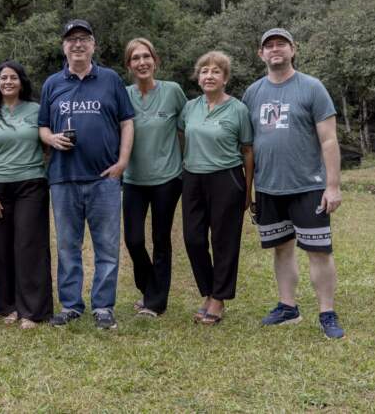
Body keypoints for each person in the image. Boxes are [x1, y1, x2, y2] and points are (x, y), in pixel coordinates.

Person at [242, 28, 345, 339]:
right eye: (269, 46)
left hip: (309, 186)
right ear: (260, 54)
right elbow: (247, 146)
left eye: (281, 45)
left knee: (319, 252)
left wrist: (333, 186)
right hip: (269, 187)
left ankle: (327, 312)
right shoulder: (253, 93)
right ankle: (288, 308)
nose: (275, 50)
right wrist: (248, 190)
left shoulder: (312, 88)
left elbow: (329, 140)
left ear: (292, 50)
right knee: (282, 250)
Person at [38, 19, 135, 330]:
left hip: (104, 179)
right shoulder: (52, 84)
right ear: (63, 47)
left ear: (93, 45)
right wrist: (51, 138)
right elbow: (41, 125)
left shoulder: (110, 80)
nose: (77, 44)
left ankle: (103, 307)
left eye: (83, 39)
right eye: (71, 40)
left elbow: (127, 122)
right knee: (68, 246)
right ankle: (70, 306)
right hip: (63, 178)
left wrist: (122, 162)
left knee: (107, 246)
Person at [0, 61, 53, 329]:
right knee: (1, 247)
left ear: (21, 81)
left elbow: (49, 143)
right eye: (3, 78)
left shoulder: (37, 110)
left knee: (29, 245)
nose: (8, 81)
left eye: (13, 77)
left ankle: (32, 311)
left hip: (31, 184)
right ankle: (8, 306)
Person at [179, 51, 254, 325]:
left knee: (224, 242)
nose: (209, 76)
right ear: (198, 78)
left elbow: (247, 150)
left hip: (227, 179)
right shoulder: (189, 107)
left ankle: (218, 299)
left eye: (216, 72)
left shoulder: (238, 109)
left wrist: (247, 190)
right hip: (193, 178)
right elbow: (180, 135)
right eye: (204, 71)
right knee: (193, 239)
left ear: (225, 78)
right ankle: (208, 290)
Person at [121, 38, 186, 318]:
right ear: (129, 65)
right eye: (135, 58)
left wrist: (189, 162)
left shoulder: (173, 92)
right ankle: (150, 288)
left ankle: (155, 303)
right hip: (133, 180)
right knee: (133, 240)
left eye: (146, 56)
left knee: (161, 240)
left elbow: (188, 128)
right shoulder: (123, 95)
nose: (142, 62)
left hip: (167, 179)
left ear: (155, 61)